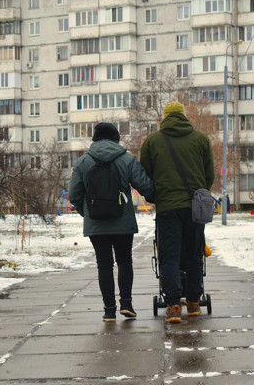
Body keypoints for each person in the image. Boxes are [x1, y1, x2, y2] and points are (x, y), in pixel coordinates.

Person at [68, 123, 154, 322]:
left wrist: (88, 213)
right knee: (124, 261)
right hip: (122, 222)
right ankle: (127, 304)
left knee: (103, 265)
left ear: (95, 139)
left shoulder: (83, 162)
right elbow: (145, 186)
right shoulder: (127, 159)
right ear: (116, 139)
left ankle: (108, 310)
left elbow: (74, 194)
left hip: (96, 224)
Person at [140, 102, 214, 323]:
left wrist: (156, 196)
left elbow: (146, 175)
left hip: (167, 207)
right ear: (184, 116)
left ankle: (173, 306)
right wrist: (200, 193)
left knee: (169, 256)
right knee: (194, 253)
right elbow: (209, 175)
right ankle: (193, 303)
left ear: (164, 117)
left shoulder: (152, 141)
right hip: (194, 207)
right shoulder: (201, 139)